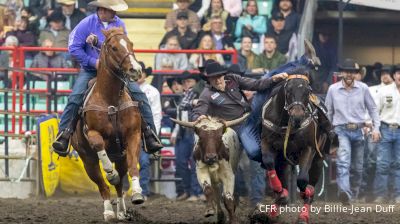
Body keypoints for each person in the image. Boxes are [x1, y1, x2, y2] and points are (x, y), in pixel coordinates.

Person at [52, 0, 163, 156]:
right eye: (113, 10)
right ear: (102, 10)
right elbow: (73, 47)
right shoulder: (86, 24)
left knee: (139, 95)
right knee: (76, 97)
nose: (115, 14)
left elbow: (119, 47)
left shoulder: (119, 24)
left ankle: (151, 134)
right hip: (91, 70)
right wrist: (93, 62)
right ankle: (64, 134)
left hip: (116, 72)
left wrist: (98, 43)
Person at [191, 60, 288, 160]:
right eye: (213, 78)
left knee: (264, 92)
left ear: (224, 75)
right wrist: (199, 117)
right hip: (239, 125)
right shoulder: (206, 94)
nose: (218, 80)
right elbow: (198, 111)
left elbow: (256, 84)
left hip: (252, 112)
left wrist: (273, 79)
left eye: (219, 76)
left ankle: (289, 76)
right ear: (208, 80)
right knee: (254, 152)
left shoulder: (233, 78)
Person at [325, 58, 381, 205]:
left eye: (352, 72)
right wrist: (328, 134)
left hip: (359, 130)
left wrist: (376, 129)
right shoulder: (332, 89)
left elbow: (373, 110)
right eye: (346, 71)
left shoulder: (363, 88)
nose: (349, 74)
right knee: (343, 162)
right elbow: (328, 114)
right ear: (341, 73)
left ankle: (353, 195)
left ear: (355, 74)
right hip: (340, 130)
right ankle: (345, 194)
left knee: (357, 168)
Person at [172, 71, 204, 201]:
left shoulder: (199, 95)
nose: (186, 84)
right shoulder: (182, 97)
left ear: (195, 83)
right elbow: (179, 117)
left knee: (196, 162)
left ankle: (196, 192)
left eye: (190, 81)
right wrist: (174, 133)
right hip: (183, 132)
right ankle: (188, 190)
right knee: (181, 163)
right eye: (184, 82)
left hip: (196, 132)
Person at [373, 64, 400, 204]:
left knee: (398, 164)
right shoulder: (384, 91)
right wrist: (375, 129)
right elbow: (375, 111)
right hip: (385, 129)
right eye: (398, 73)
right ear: (394, 75)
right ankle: (381, 195)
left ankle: (398, 196)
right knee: (383, 164)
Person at [136, 61, 162, 200]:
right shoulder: (124, 88)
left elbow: (156, 114)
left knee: (144, 162)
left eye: (141, 72)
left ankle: (143, 191)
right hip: (130, 131)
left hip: (145, 132)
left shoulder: (152, 92)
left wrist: (153, 134)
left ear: (145, 74)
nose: (138, 75)